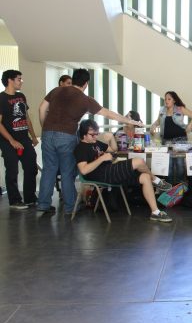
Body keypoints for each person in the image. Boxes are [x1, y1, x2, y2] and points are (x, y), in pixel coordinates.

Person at [38, 68, 142, 214]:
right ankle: (69, 207)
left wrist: (45, 129)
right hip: (66, 136)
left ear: (73, 79)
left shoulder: (56, 91)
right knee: (68, 172)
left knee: (49, 170)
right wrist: (132, 121)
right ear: (86, 83)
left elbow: (41, 109)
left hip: (48, 134)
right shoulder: (85, 99)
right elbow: (109, 114)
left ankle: (43, 204)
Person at [74, 119, 173, 222]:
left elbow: (113, 149)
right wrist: (102, 159)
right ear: (83, 135)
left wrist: (111, 137)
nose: (95, 136)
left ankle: (155, 212)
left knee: (145, 177)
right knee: (138, 161)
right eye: (92, 134)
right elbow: (84, 170)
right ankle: (156, 180)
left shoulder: (96, 143)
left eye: (97, 133)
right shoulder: (80, 149)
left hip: (110, 171)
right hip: (102, 175)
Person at [0, 70, 38, 209]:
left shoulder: (21, 96)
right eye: (19, 79)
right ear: (10, 80)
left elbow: (26, 117)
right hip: (7, 140)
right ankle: (15, 200)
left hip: (24, 138)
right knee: (12, 170)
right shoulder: (1, 98)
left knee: (31, 167)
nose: (21, 81)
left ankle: (30, 198)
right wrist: (11, 140)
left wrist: (33, 136)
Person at [150, 91, 192, 183]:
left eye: (169, 99)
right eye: (165, 99)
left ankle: (181, 187)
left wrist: (189, 126)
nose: (166, 101)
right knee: (169, 165)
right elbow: (158, 121)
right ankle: (170, 189)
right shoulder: (162, 110)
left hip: (180, 140)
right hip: (166, 141)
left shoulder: (180, 109)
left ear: (174, 100)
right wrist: (153, 126)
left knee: (180, 165)